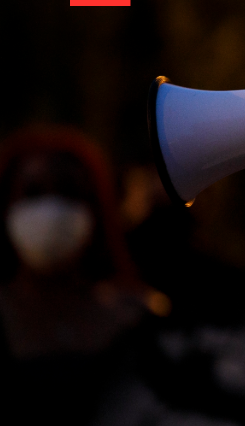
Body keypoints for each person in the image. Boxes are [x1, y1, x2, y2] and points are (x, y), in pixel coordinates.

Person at [0, 126, 157, 425]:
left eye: (68, 192)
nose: (51, 209)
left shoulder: (137, 317)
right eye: (33, 192)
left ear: (96, 209)